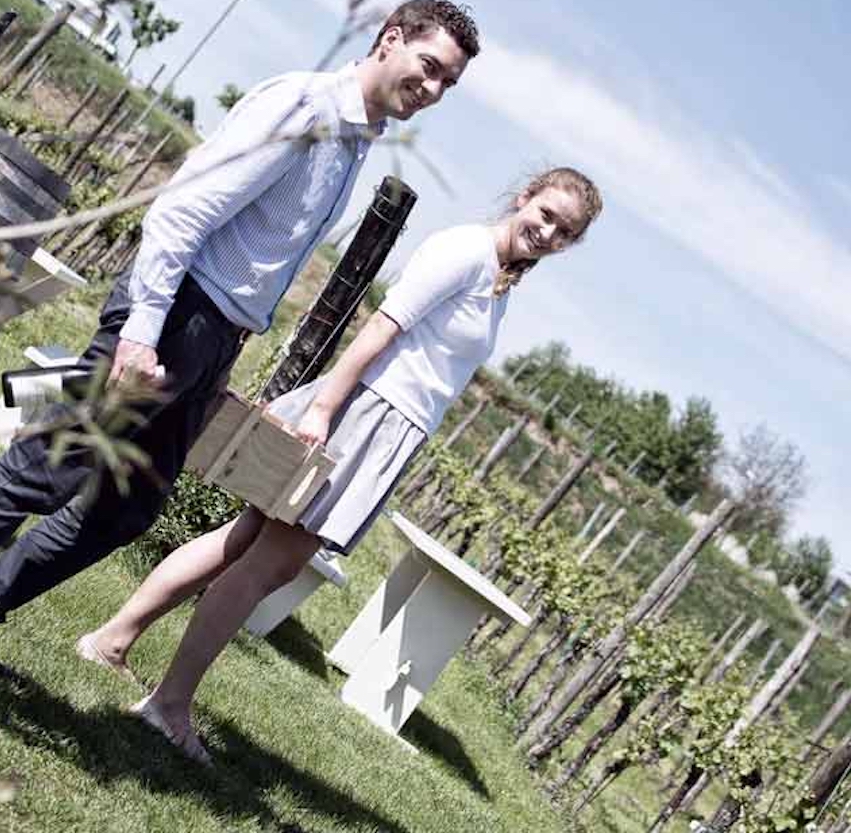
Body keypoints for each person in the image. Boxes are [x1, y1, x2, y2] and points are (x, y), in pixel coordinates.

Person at [0, 0, 481, 714]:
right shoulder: (303, 107)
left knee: (125, 509)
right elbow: (182, 208)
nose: (434, 88)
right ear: (390, 39)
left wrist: (218, 356)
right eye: (429, 65)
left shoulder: (354, 140)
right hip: (171, 316)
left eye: (448, 82)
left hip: (210, 337)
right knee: (44, 470)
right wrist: (143, 330)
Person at [80, 167, 603, 763]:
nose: (548, 233)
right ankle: (168, 705)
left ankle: (112, 641)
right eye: (546, 215)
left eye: (564, 232)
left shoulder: (498, 275)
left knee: (243, 542)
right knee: (269, 565)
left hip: (387, 425)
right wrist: (324, 410)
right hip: (368, 415)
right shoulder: (465, 251)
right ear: (525, 197)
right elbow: (382, 326)